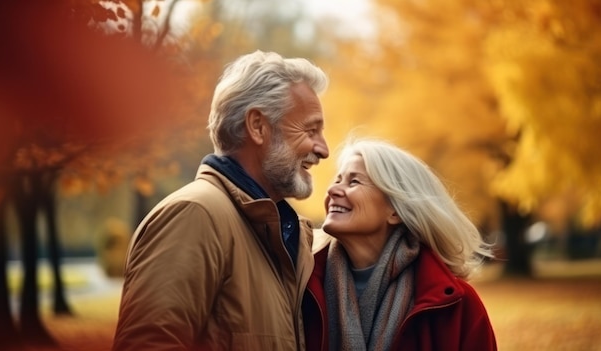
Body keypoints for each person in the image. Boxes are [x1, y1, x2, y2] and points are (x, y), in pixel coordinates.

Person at [112, 50, 330, 351]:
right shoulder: (194, 215)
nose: (324, 149)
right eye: (311, 129)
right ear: (257, 126)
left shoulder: (282, 235)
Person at [303, 138, 497, 351]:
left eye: (354, 182)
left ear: (395, 211)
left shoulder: (457, 306)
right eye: (337, 180)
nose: (333, 190)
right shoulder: (301, 287)